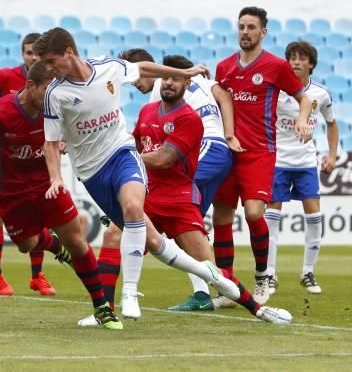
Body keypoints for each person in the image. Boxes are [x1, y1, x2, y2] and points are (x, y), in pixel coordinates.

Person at [35, 28, 240, 320]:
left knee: (132, 211)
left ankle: (131, 294)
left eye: (52, 61)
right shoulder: (56, 93)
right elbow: (50, 142)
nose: (49, 69)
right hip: (93, 170)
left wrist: (188, 71)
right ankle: (212, 279)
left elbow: (143, 68)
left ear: (69, 52)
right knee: (148, 240)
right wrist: (56, 176)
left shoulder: (108, 68)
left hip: (124, 154)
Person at [81, 55, 291, 325]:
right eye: (165, 77)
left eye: (176, 78)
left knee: (209, 268)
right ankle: (104, 312)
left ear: (187, 82)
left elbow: (163, 159)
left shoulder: (191, 119)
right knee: (113, 237)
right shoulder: (147, 112)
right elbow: (130, 144)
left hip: (180, 201)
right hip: (151, 198)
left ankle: (259, 310)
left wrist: (112, 157)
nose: (169, 82)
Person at [0, 60, 122, 329]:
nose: (53, 93)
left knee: (77, 242)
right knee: (26, 244)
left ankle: (102, 306)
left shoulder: (56, 107)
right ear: (30, 85)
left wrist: (67, 140)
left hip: (48, 186)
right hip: (11, 195)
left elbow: (73, 129)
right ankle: (53, 245)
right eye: (48, 88)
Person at [122, 50, 242, 311]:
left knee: (179, 209)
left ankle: (218, 288)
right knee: (187, 222)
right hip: (217, 148)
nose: (133, 81)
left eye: (135, 74)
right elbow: (223, 93)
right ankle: (218, 288)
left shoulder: (161, 88)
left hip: (206, 146)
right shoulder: (192, 79)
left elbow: (160, 155)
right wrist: (230, 134)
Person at [211, 7, 313, 308]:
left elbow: (304, 98)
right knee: (221, 218)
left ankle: (262, 275)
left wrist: (302, 120)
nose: (245, 31)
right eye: (241, 26)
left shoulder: (276, 65)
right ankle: (226, 285)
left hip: (259, 151)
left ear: (263, 32)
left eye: (251, 27)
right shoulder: (224, 67)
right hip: (228, 152)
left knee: (255, 213)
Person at [0, 33, 59, 296]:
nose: (32, 57)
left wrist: (59, 139)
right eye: (28, 52)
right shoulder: (6, 77)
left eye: (36, 53)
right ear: (22, 55)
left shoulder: (50, 83)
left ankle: (37, 276)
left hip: (37, 157)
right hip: (4, 159)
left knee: (40, 214)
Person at [266, 41, 337, 295]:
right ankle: (269, 274)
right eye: (292, 58)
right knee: (271, 217)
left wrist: (331, 154)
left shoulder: (321, 93)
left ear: (311, 64)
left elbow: (331, 123)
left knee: (314, 216)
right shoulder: (275, 91)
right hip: (277, 162)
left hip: (306, 162)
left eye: (301, 58)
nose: (295, 62)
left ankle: (308, 272)